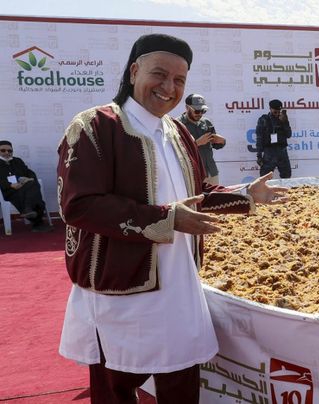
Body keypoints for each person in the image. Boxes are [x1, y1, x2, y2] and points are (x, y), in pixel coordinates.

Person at [56, 33, 288, 404]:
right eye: (159, 75)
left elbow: (194, 198)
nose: (169, 88)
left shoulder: (178, 132)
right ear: (134, 71)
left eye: (179, 80)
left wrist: (244, 195)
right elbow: (80, 205)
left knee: (181, 381)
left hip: (180, 281)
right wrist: (166, 218)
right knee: (116, 388)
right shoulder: (95, 126)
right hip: (121, 286)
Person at [0, 140, 51, 232]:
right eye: (3, 150)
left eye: (9, 151)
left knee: (32, 183)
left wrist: (29, 179)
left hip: (25, 189)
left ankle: (28, 210)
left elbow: (30, 172)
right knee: (35, 193)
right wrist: (10, 185)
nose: (6, 153)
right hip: (9, 192)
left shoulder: (17, 161)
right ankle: (37, 223)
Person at [178, 93, 226, 185]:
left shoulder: (206, 122)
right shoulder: (178, 125)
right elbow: (177, 151)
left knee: (214, 199)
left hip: (211, 172)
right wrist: (196, 143)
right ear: (187, 108)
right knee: (197, 199)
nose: (200, 114)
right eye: (196, 111)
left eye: (202, 111)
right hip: (192, 174)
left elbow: (215, 144)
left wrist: (222, 141)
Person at [256, 99, 292, 178]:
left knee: (287, 176)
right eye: (275, 111)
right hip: (269, 153)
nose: (277, 114)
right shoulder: (264, 119)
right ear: (270, 109)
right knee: (265, 178)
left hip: (282, 152)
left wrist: (285, 122)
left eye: (278, 111)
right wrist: (259, 156)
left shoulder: (283, 119)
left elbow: (289, 135)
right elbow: (259, 138)